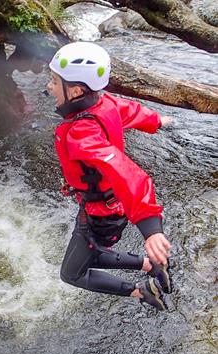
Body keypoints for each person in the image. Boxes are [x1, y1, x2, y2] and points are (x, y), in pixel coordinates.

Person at [46, 42, 172, 311]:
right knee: (87, 251)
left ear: (77, 90)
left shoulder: (83, 133)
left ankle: (142, 291)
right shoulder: (104, 104)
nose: (48, 87)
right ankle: (151, 265)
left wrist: (150, 229)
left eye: (54, 81)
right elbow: (130, 110)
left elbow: (126, 173)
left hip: (101, 213)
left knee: (72, 272)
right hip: (109, 205)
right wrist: (155, 120)